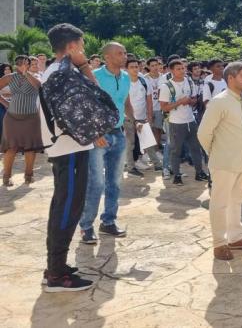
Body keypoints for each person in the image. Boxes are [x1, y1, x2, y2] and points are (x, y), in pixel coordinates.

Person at [39, 23, 100, 292]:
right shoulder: (63, 74)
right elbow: (96, 99)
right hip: (69, 148)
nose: (84, 50)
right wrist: (85, 65)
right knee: (67, 208)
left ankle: (56, 266)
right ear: (72, 46)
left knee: (62, 206)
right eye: (82, 44)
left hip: (66, 148)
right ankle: (56, 274)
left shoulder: (57, 72)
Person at [197, 62, 242, 259]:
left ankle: (235, 237)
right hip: (223, 162)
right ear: (230, 78)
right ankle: (219, 243)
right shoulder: (219, 102)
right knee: (220, 203)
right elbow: (203, 133)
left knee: (237, 200)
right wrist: (215, 153)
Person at [79, 42, 133, 246]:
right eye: (120, 53)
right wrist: (94, 132)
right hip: (99, 136)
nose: (124, 55)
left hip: (118, 134)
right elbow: (84, 106)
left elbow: (124, 102)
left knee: (115, 182)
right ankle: (86, 226)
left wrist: (136, 121)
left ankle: (108, 221)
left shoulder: (126, 77)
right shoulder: (95, 76)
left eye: (125, 52)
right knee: (96, 183)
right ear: (108, 57)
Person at [159, 59, 210, 185]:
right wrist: (180, 102)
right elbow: (164, 107)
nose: (182, 71)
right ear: (171, 71)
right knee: (176, 150)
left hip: (190, 120)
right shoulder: (166, 86)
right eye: (178, 69)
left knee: (195, 148)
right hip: (176, 122)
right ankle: (176, 175)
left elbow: (193, 98)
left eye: (183, 68)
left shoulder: (189, 81)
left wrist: (192, 101)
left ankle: (199, 172)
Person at [0, 56, 43, 185]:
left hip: (31, 118)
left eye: (25, 63)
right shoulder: (9, 77)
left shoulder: (36, 77)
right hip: (12, 118)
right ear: (16, 64)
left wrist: (26, 74)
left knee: (30, 148)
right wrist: (5, 103)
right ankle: (6, 177)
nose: (22, 65)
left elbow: (39, 86)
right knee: (11, 148)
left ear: (29, 65)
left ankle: (29, 176)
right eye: (19, 63)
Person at [124, 58, 162, 177]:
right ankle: (130, 167)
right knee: (130, 143)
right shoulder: (124, 83)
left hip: (143, 117)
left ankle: (157, 164)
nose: (135, 69)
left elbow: (149, 100)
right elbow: (125, 102)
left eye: (137, 67)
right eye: (132, 67)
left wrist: (149, 116)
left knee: (148, 141)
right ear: (126, 69)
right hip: (128, 118)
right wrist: (133, 119)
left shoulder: (144, 81)